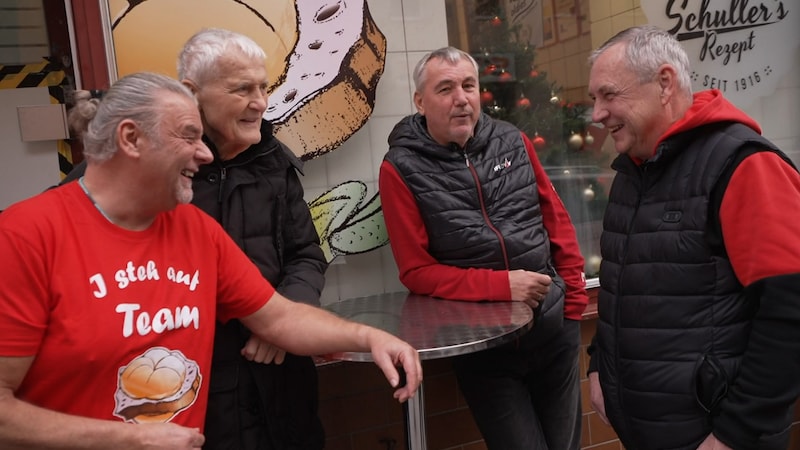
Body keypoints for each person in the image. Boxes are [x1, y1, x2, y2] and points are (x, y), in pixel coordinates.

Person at [0, 71, 422, 450]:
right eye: (188, 136)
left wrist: (369, 337)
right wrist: (128, 439)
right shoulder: (25, 237)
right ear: (131, 139)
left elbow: (279, 319)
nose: (204, 154)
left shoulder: (195, 229)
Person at [62, 28, 330, 449]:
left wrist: (285, 319)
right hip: (182, 396)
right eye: (242, 88)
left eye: (263, 86)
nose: (260, 102)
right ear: (192, 92)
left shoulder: (273, 162)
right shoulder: (137, 163)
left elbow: (306, 255)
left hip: (280, 387)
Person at [586, 25, 800, 450]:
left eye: (609, 95)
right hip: (651, 428)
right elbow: (625, 281)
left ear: (664, 83)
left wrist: (735, 432)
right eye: (594, 99)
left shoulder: (744, 165)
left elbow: (791, 308)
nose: (596, 113)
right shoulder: (634, 170)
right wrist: (598, 363)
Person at [379, 46, 589, 450]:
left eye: (469, 86)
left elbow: (556, 222)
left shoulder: (512, 140)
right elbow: (416, 272)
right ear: (420, 102)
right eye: (445, 89)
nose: (461, 98)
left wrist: (573, 308)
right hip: (485, 347)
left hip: (553, 330)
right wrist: (501, 285)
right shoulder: (400, 168)